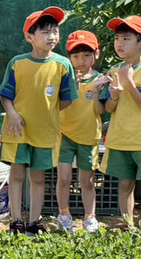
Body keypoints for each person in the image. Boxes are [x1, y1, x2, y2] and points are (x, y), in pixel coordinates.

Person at [0, 7, 78, 235]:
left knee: (38, 177)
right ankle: (15, 221)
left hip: (45, 131)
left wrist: (46, 113)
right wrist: (12, 114)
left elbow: (66, 99)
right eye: (45, 32)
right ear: (29, 37)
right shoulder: (17, 62)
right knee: (17, 175)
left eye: (55, 31)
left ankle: (34, 222)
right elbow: (5, 94)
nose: (52, 36)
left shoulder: (63, 64)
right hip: (17, 130)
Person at [56, 31, 110, 233]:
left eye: (87, 55)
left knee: (86, 181)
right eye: (76, 55)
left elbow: (100, 111)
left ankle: (90, 218)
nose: (81, 60)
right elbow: (56, 105)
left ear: (96, 55)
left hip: (89, 136)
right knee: (63, 178)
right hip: (64, 134)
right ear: (69, 57)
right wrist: (73, 86)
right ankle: (64, 215)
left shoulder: (101, 80)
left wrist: (95, 91)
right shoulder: (64, 78)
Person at [100, 16, 141, 227]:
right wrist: (114, 96)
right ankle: (128, 225)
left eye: (126, 38)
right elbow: (108, 109)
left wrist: (129, 83)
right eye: (117, 38)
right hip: (120, 139)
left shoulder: (127, 74)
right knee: (125, 184)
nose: (119, 43)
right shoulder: (114, 71)